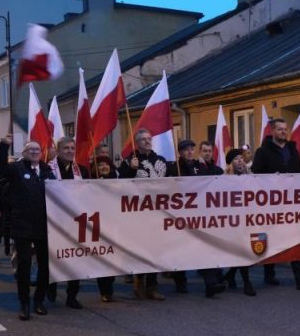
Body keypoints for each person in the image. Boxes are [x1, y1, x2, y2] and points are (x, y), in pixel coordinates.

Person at [251, 118, 300, 290]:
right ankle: (269, 273)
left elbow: (298, 173)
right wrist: (273, 178)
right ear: (273, 131)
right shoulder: (262, 152)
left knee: (294, 237)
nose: (283, 132)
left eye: (285, 129)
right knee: (272, 238)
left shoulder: (292, 150)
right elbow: (256, 175)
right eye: (280, 129)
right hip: (271, 203)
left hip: (291, 203)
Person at [0, 136, 54, 319]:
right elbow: (1, 167)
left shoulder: (47, 170)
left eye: (37, 149)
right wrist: (3, 146)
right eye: (31, 149)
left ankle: (39, 300)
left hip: (43, 226)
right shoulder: (16, 169)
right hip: (22, 225)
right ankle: (24, 303)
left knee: (45, 265)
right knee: (24, 265)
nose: (35, 152)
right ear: (24, 153)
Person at [118, 128, 171, 300]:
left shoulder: (161, 160)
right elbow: (119, 185)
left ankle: (152, 286)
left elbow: (171, 183)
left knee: (155, 249)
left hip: (158, 212)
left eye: (149, 138)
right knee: (140, 248)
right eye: (143, 139)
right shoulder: (129, 161)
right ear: (137, 143)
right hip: (138, 213)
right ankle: (139, 281)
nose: (147, 141)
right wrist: (131, 170)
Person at [172, 138, 225, 297]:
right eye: (186, 150)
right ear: (180, 152)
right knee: (180, 249)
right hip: (180, 215)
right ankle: (180, 280)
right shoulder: (174, 167)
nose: (189, 152)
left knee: (205, 247)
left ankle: (211, 284)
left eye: (191, 149)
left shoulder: (199, 166)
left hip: (198, 214)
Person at [47, 137, 89, 309]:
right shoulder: (48, 169)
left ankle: (72, 296)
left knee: (75, 259)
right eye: (66, 148)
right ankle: (51, 287)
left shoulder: (82, 170)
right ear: (58, 150)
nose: (70, 151)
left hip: (75, 222)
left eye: (72, 148)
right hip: (54, 222)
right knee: (54, 258)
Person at [223, 148, 256, 296]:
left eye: (241, 158)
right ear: (231, 163)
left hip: (249, 218)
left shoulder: (251, 176)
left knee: (244, 250)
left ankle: (230, 275)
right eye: (236, 159)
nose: (240, 161)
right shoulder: (224, 178)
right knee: (242, 250)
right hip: (233, 220)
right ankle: (247, 282)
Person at [91, 154, 118, 301]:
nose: (104, 167)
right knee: (102, 257)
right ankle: (105, 291)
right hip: (97, 226)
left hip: (115, 224)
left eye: (106, 164)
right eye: (100, 165)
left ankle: (109, 285)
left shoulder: (118, 180)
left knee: (113, 258)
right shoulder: (89, 182)